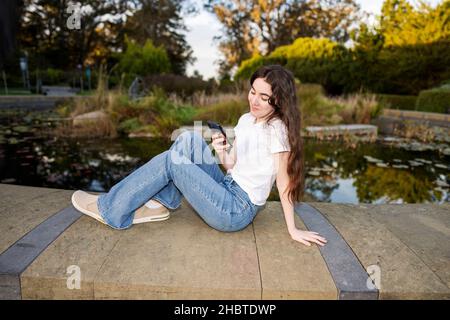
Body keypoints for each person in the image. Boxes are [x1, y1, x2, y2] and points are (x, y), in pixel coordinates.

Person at [72, 65, 327, 247]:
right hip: (226, 187)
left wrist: (293, 230)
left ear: (279, 102)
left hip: (236, 211)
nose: (255, 101)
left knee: (173, 161)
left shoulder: (278, 132)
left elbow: (284, 183)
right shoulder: (246, 119)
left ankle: (111, 210)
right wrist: (220, 149)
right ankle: (162, 204)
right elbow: (231, 166)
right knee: (188, 139)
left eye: (264, 97)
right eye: (252, 92)